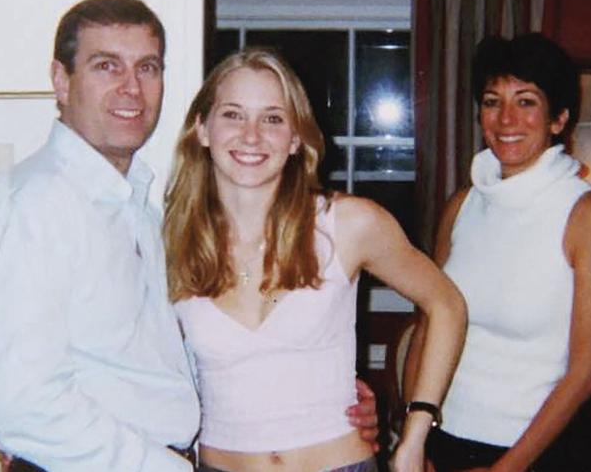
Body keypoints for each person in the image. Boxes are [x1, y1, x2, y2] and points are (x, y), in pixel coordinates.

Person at [0, 0, 378, 472]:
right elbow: (22, 404)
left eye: (147, 68)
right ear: (61, 80)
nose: (131, 89)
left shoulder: (144, 208)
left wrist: (312, 397)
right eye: (106, 66)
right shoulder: (34, 205)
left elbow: (160, 364)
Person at [162, 48, 467, 472]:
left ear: (294, 139)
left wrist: (416, 432)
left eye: (272, 118)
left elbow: (446, 304)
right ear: (202, 129)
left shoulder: (348, 224)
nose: (251, 136)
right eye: (233, 114)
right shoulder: (168, 241)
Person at [405, 33, 591, 471]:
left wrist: (507, 469)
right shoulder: (462, 204)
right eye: (492, 101)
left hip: (537, 453)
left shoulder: (581, 214)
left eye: (526, 101)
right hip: (443, 439)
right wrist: (416, 437)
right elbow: (427, 327)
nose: (507, 118)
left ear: (558, 119)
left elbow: (584, 368)